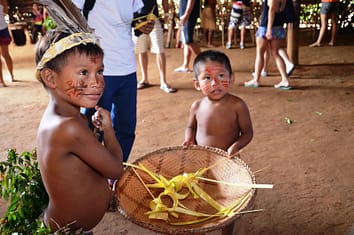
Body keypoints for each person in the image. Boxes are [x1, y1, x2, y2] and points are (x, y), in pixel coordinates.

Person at [35, 11, 124, 235]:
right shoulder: (69, 127)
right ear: (50, 78)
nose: (96, 81)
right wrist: (109, 131)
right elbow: (115, 170)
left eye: (100, 71)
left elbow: (85, 166)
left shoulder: (71, 117)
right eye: (84, 72)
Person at [73, 0, 154, 162]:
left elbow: (132, 18)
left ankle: (116, 171)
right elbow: (70, 14)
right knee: (91, 127)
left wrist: (143, 25)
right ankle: (89, 172)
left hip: (128, 67)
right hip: (98, 69)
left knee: (126, 128)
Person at [183, 50, 253, 235]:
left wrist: (236, 146)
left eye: (221, 75)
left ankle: (226, 232)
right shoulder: (196, 107)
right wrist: (189, 139)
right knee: (201, 198)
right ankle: (203, 228)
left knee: (227, 202)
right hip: (202, 163)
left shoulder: (238, 105)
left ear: (232, 77)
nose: (215, 83)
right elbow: (190, 127)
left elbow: (247, 133)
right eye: (207, 78)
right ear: (197, 84)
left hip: (227, 163)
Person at [244, 0, 292, 90]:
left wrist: (269, 29)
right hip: (278, 26)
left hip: (267, 26)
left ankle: (256, 79)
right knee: (275, 53)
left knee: (260, 52)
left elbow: (272, 10)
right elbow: (280, 9)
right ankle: (285, 79)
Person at [134, 0, 177, 93]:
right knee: (141, 49)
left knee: (159, 50)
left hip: (153, 18)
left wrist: (166, 14)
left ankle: (163, 81)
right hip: (137, 20)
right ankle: (145, 79)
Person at [174, 0, 201, 73]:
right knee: (185, 41)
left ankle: (204, 61)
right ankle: (185, 65)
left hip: (189, 14)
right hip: (185, 13)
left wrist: (187, 14)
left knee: (188, 40)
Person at [0, 0, 14, 86]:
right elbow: (6, 12)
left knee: (5, 54)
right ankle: (9, 76)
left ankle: (3, 80)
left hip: (2, 28)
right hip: (3, 28)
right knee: (6, 54)